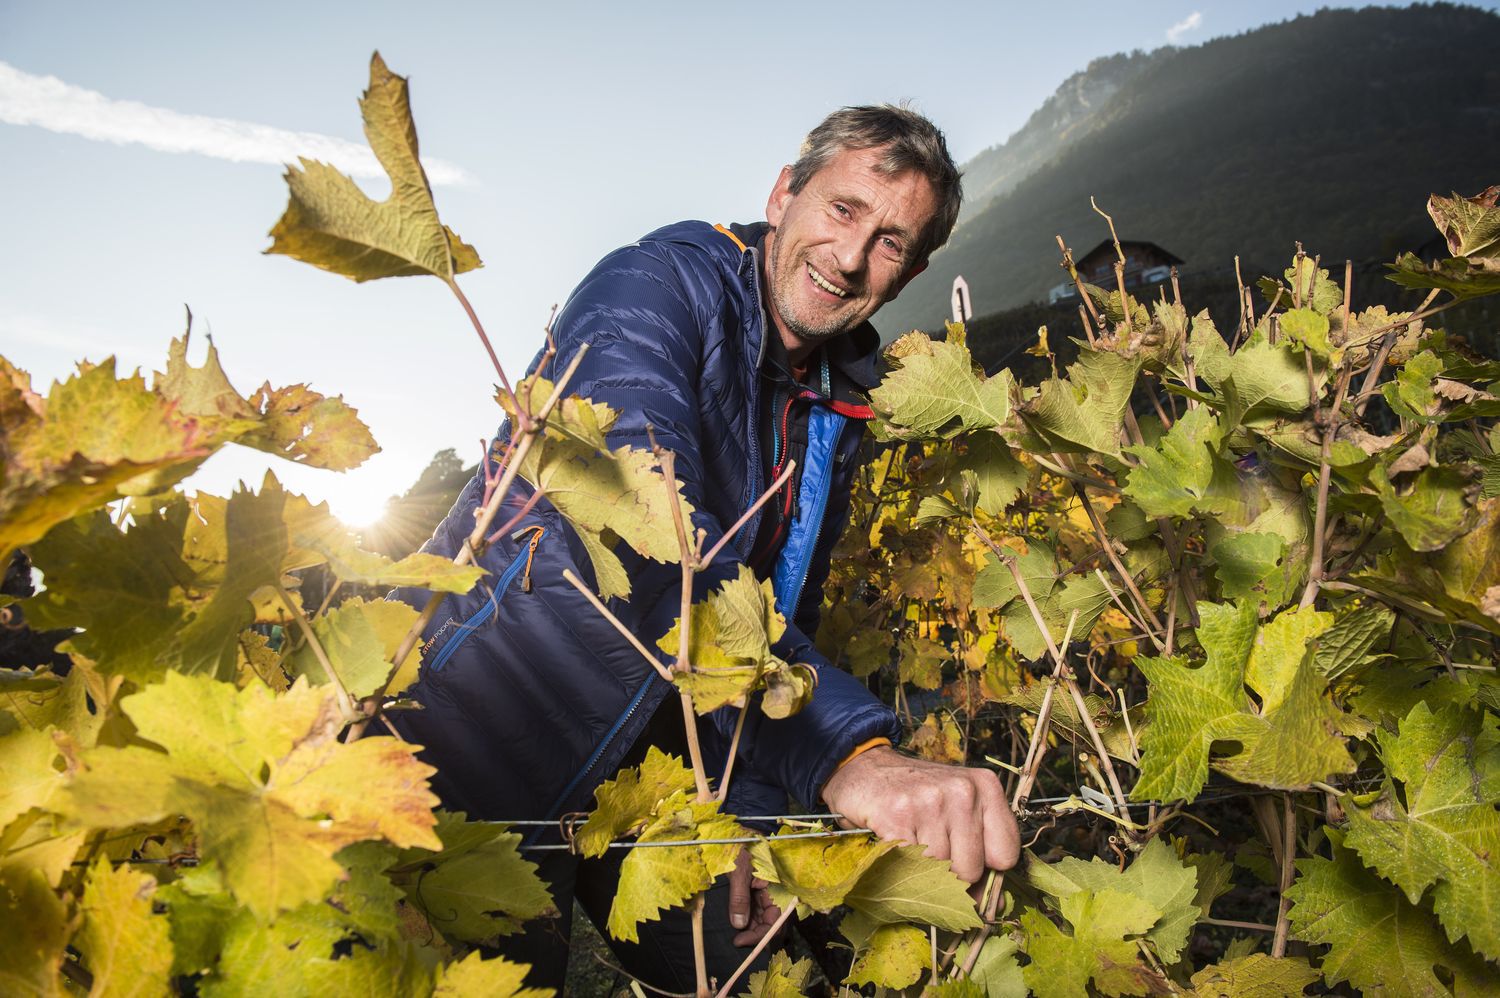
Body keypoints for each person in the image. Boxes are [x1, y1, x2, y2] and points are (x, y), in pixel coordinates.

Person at [391, 105, 1020, 991]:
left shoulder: (838, 401)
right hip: (477, 740)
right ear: (783, 194)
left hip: (659, 775)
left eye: (888, 242)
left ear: (912, 271)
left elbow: (769, 609)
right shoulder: (652, 287)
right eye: (842, 210)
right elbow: (658, 549)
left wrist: (739, 810)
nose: (848, 258)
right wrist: (849, 756)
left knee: (740, 966)